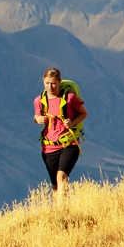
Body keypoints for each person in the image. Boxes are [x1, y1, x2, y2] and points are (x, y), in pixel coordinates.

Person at [34, 67, 88, 205]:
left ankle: (62, 213)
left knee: (61, 177)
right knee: (55, 185)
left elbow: (83, 113)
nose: (50, 87)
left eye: (53, 83)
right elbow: (36, 116)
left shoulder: (70, 98)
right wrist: (38, 119)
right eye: (47, 83)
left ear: (59, 82)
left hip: (69, 144)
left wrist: (72, 122)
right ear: (43, 82)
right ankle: (60, 213)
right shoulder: (39, 100)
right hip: (49, 147)